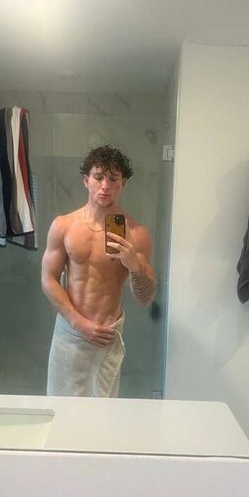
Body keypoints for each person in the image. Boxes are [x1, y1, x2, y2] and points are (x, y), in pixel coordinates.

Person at [41, 144, 157, 397]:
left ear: (123, 183)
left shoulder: (137, 234)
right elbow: (49, 279)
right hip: (71, 332)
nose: (105, 185)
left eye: (113, 179)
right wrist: (79, 323)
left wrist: (134, 266)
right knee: (63, 409)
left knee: (103, 410)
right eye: (98, 177)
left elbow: (145, 297)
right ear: (86, 180)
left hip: (106, 335)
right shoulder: (64, 226)